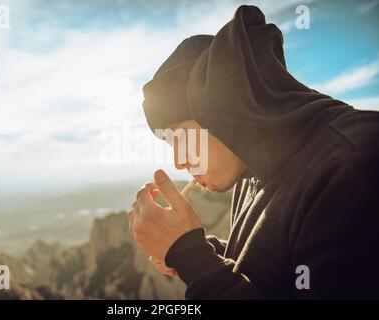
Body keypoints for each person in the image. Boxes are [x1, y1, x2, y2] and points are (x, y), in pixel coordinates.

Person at [128, 5, 379, 299]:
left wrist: (192, 258)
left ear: (225, 108)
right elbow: (275, 274)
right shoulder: (252, 169)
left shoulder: (354, 164)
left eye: (181, 139)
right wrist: (197, 251)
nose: (180, 162)